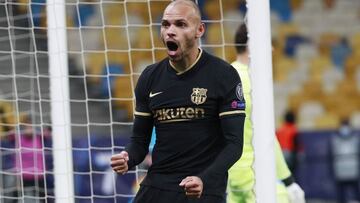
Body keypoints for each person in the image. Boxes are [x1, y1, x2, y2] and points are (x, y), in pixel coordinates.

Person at [110, 1, 246, 203]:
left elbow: (234, 144)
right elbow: (139, 142)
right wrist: (127, 158)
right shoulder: (150, 77)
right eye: (166, 24)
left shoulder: (223, 75)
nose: (170, 31)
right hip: (158, 184)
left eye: (180, 24)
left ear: (199, 29)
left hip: (201, 189)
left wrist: (204, 179)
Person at [227, 23, 305, 203]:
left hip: (232, 177)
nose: (271, 49)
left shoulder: (227, 75)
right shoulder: (254, 81)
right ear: (251, 45)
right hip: (253, 175)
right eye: (266, 42)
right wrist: (289, 181)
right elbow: (266, 135)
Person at [330, 119, 360, 203]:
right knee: (341, 196)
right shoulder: (334, 140)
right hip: (340, 172)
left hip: (354, 172)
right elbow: (331, 157)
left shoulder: (356, 139)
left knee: (356, 194)